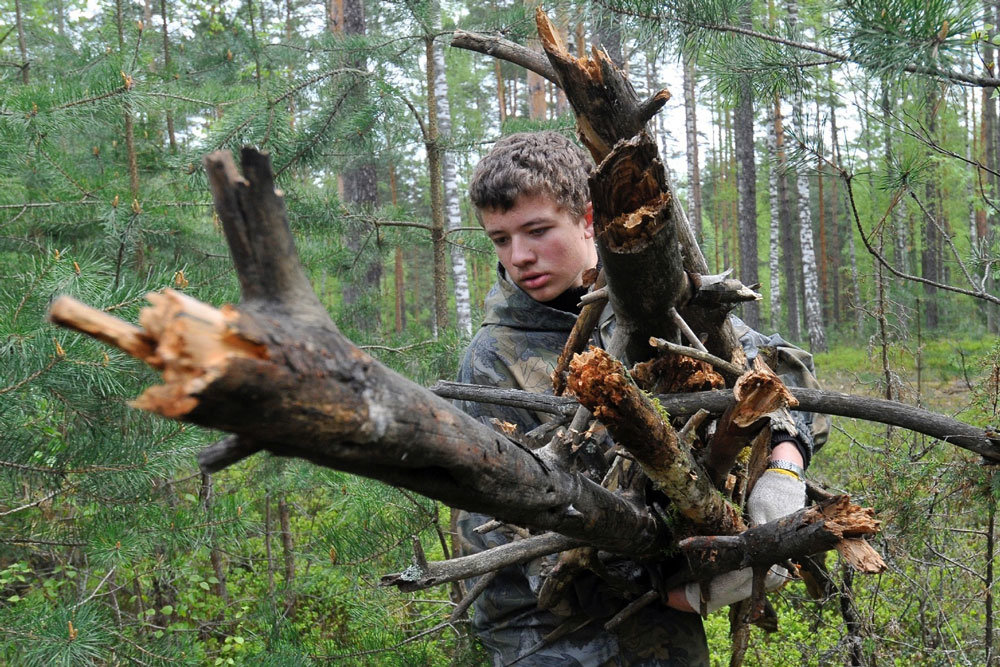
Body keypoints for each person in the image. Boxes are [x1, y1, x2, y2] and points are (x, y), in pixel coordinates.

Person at [454, 131, 828, 666]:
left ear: (588, 217)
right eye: (499, 239)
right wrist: (667, 587)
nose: (518, 256)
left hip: (662, 632)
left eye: (536, 231)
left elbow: (778, 370)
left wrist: (784, 469)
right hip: (548, 637)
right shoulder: (494, 358)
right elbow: (498, 527)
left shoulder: (647, 304)